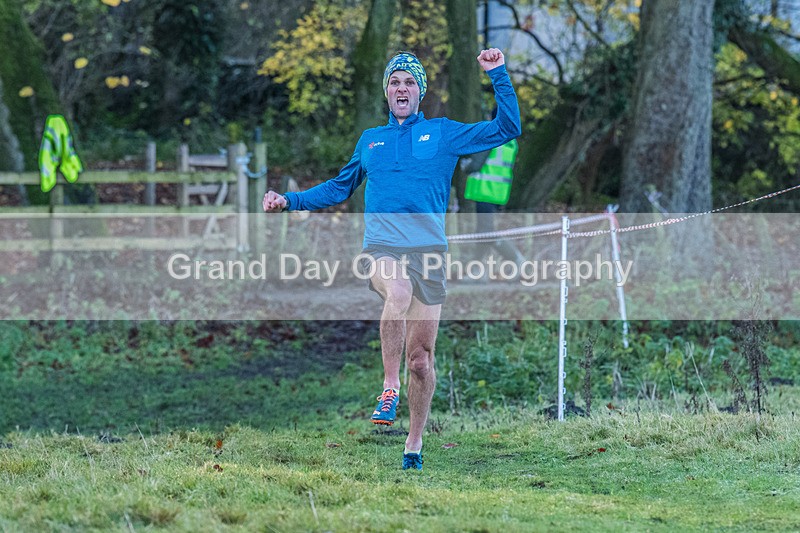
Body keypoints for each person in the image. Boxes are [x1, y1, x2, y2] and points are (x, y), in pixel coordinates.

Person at [263, 48, 521, 470]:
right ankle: (388, 387)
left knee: (420, 361)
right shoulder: (371, 141)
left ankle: (414, 444)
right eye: (394, 82)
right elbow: (338, 188)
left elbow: (508, 127)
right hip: (381, 250)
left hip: (431, 256)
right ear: (387, 92)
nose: (401, 88)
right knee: (396, 290)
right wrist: (289, 201)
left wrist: (497, 74)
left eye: (409, 82)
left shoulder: (442, 133)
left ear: (420, 92)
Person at [461, 124, 526, 267]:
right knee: (483, 232)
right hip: (498, 193)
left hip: (484, 191)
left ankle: (517, 260)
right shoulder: (510, 140)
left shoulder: (491, 136)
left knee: (485, 232)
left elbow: (476, 164)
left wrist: (465, 165)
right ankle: (477, 269)